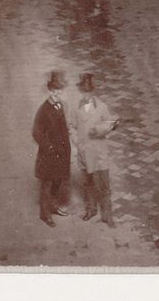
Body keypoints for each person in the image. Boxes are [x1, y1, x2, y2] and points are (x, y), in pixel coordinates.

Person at [72, 73, 118, 226]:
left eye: (89, 92)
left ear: (93, 92)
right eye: (84, 92)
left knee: (104, 185)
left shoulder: (102, 107)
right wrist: (77, 141)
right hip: (85, 152)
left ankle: (107, 215)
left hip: (99, 153)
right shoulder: (76, 108)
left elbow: (112, 123)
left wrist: (98, 129)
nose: (86, 95)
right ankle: (91, 210)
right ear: (81, 91)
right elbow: (71, 126)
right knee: (88, 183)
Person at [31, 70, 72, 226]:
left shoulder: (61, 105)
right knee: (47, 184)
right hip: (49, 155)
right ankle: (45, 214)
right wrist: (49, 147)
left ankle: (54, 207)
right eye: (55, 90)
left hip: (61, 154)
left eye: (60, 89)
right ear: (50, 90)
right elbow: (36, 133)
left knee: (58, 181)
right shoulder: (44, 110)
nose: (57, 92)